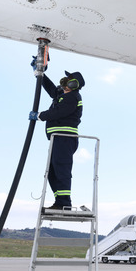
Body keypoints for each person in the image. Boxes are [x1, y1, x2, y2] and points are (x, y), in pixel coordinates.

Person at [29, 70, 84, 210]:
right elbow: (51, 89)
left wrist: (40, 116)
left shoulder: (73, 97)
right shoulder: (63, 96)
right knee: (53, 172)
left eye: (68, 79)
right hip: (57, 138)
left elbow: (59, 112)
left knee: (61, 169)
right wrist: (39, 74)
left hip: (65, 138)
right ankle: (60, 201)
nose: (65, 81)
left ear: (74, 83)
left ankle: (65, 203)